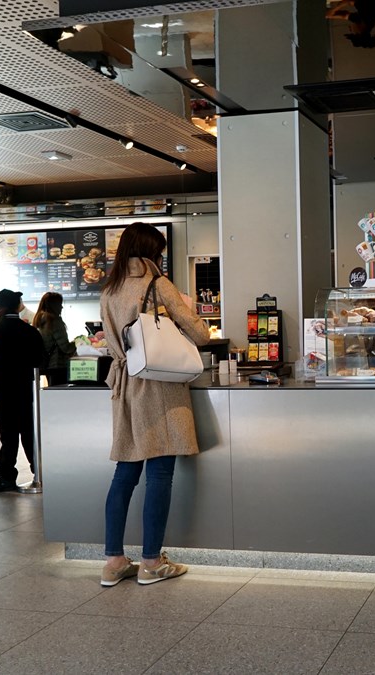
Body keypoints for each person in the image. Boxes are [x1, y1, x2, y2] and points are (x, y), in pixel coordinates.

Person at [98, 223, 209, 586]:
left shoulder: (109, 289)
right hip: (159, 387)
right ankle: (151, 562)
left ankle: (114, 562)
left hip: (125, 388)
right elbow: (200, 334)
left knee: (124, 474)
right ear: (152, 252)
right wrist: (186, 312)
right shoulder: (158, 284)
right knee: (160, 474)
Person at [0, 289, 45, 493]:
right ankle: (39, 472)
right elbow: (40, 358)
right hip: (26, 388)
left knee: (8, 433)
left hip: (6, 389)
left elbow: (0, 357)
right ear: (17, 306)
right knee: (28, 432)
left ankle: (6, 476)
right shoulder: (29, 329)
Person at [33, 292, 77, 386]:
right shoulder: (54, 321)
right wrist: (78, 343)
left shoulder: (39, 320)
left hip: (47, 364)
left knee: (52, 390)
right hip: (58, 365)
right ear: (54, 305)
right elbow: (66, 348)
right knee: (60, 391)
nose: (62, 307)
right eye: (60, 304)